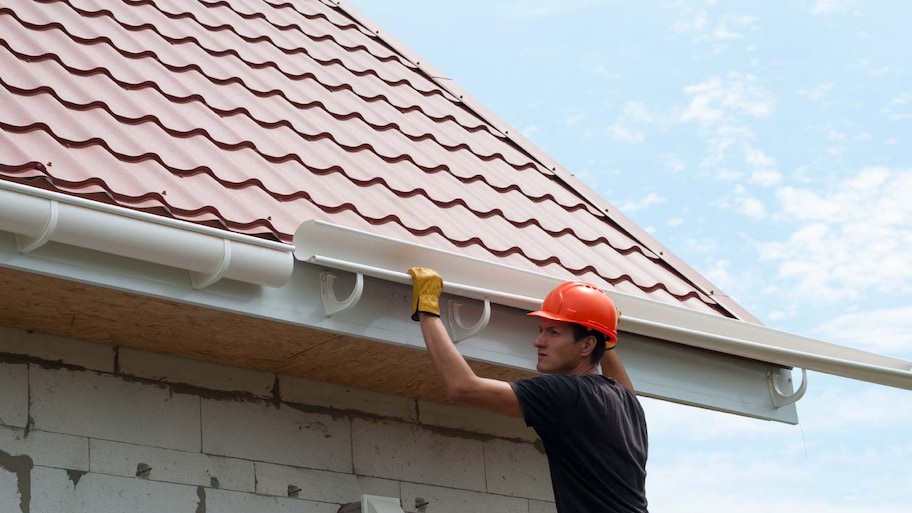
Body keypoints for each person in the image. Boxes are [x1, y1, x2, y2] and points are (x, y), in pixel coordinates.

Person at [407, 267, 648, 513]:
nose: (538, 341)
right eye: (541, 330)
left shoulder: (566, 393)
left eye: (553, 332)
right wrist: (605, 336)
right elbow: (619, 378)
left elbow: (463, 388)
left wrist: (428, 310)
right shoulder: (629, 405)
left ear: (587, 345)